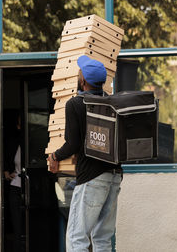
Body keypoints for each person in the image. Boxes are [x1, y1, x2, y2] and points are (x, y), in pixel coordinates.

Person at [47, 55, 123, 252]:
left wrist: (54, 156)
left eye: (80, 72)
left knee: (76, 237)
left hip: (92, 178)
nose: (78, 74)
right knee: (102, 238)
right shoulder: (112, 103)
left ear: (83, 81)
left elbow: (72, 144)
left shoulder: (76, 104)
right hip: (114, 177)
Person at [3, 112, 24, 252]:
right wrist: (5, 170)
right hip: (16, 186)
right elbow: (5, 156)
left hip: (33, 187)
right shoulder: (12, 142)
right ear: (18, 126)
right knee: (17, 226)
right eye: (20, 123)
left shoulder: (34, 142)